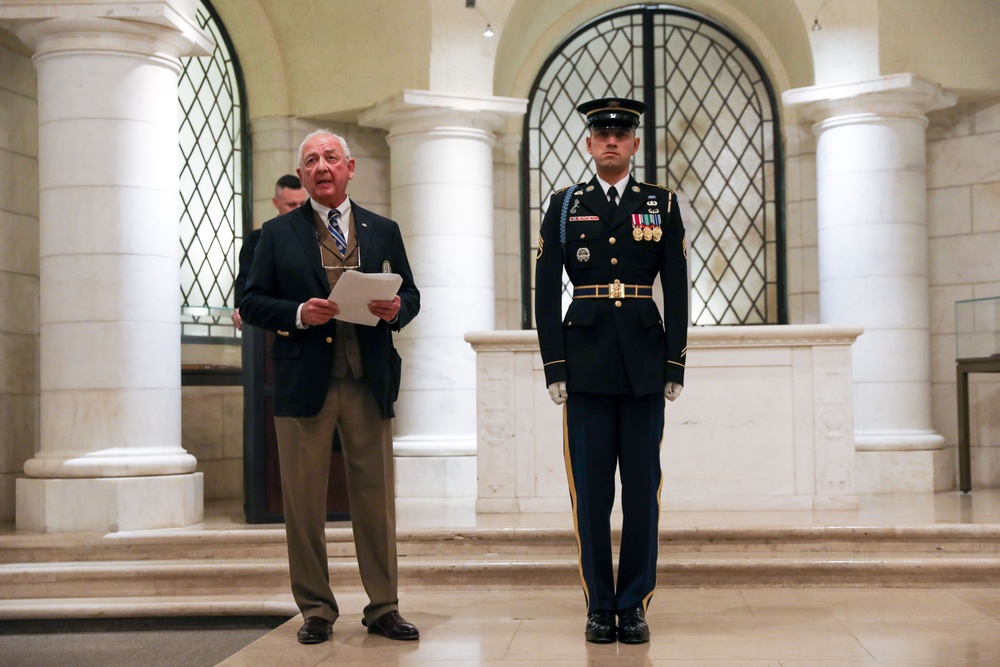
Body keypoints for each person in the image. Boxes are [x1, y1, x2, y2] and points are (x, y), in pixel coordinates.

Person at [240, 130, 420, 645]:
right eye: (311, 160)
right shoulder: (274, 235)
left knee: (375, 500)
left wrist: (396, 308)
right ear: (301, 175)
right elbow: (251, 301)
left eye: (331, 158)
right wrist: (298, 312)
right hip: (304, 383)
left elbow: (411, 292)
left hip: (368, 380)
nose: (322, 166)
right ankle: (316, 608)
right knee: (303, 502)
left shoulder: (383, 230)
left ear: (350, 168)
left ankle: (384, 606)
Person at [533, 98, 688, 645]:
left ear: (635, 144)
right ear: (589, 143)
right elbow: (546, 286)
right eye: (601, 133)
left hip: (645, 363)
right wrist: (554, 364)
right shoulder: (564, 204)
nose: (611, 141)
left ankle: (634, 603)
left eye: (621, 133)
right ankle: (600, 605)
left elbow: (677, 285)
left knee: (643, 489)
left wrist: (676, 361)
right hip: (586, 361)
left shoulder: (660, 204)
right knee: (592, 492)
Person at [231, 174, 308, 330]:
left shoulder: (315, 236)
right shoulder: (256, 239)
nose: (299, 210)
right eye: (292, 205)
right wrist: (240, 307)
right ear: (276, 203)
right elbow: (245, 282)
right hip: (271, 319)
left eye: (303, 204)